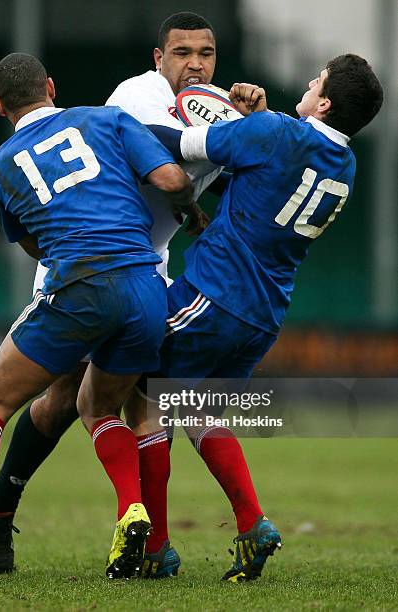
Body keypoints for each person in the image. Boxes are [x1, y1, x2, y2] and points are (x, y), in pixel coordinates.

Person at [0, 52, 201, 581]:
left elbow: (31, 243)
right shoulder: (106, 119)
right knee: (101, 405)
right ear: (50, 85)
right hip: (146, 288)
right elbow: (172, 179)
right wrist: (193, 214)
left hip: (78, 286)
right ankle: (131, 509)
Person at [0, 11, 238, 579]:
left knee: (147, 400)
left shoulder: (219, 111)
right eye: (182, 52)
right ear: (158, 58)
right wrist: (233, 137)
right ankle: (2, 504)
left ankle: (149, 543)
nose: (195, 63)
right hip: (85, 261)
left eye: (207, 53)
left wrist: (252, 118)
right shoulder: (137, 95)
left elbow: (248, 163)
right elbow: (168, 160)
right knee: (63, 398)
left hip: (147, 268)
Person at [138, 53, 383, 582]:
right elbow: (256, 184)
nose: (308, 80)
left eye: (315, 79)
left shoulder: (274, 132)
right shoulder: (345, 164)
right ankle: (251, 526)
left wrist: (116, 121)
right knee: (198, 412)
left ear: (326, 101)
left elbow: (181, 145)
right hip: (265, 314)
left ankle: (155, 547)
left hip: (216, 294)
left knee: (145, 395)